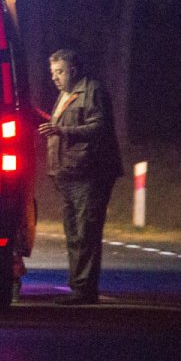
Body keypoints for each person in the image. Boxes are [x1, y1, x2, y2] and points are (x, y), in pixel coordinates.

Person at [36, 49, 123, 305]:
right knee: (73, 233)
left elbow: (100, 126)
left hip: (89, 173)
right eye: (52, 73)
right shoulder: (65, 95)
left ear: (73, 70)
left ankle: (84, 290)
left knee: (86, 232)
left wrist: (61, 130)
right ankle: (78, 287)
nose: (54, 78)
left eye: (59, 72)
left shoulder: (92, 90)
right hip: (67, 173)